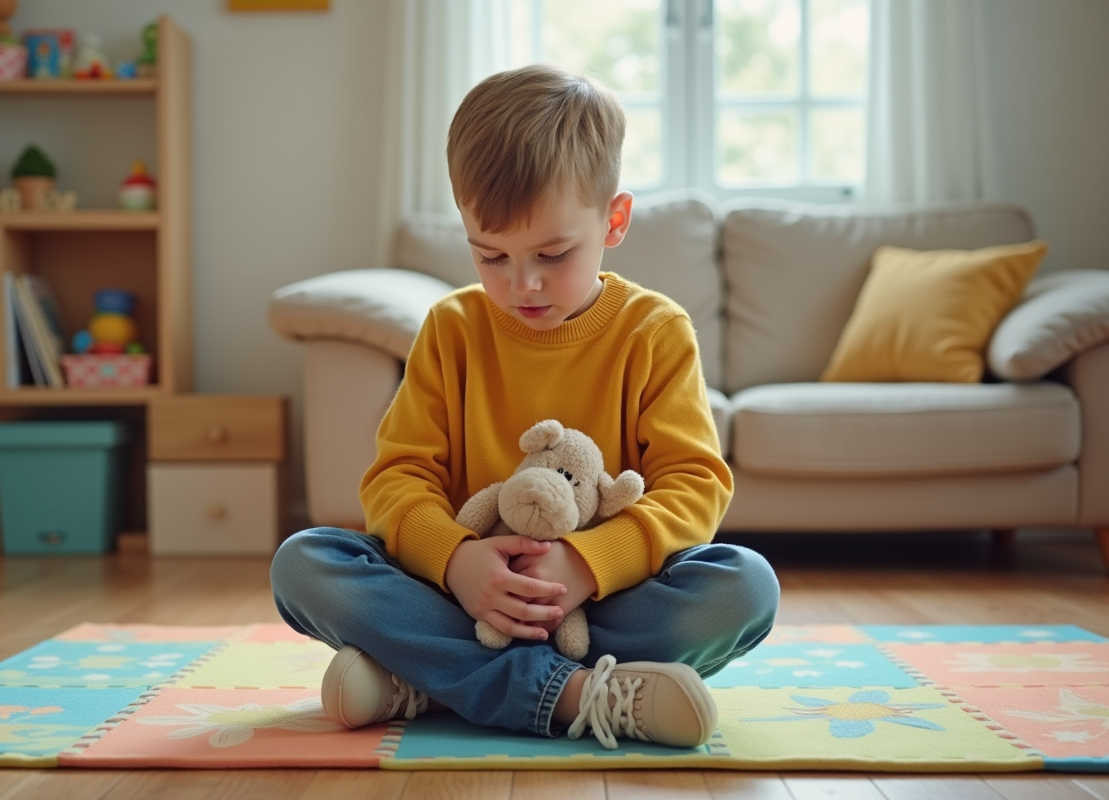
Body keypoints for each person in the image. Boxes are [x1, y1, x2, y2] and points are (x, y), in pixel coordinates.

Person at [271, 64, 780, 750]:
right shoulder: (451, 329)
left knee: (744, 587)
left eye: (551, 253)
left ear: (615, 219)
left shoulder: (655, 331)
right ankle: (576, 695)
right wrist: (458, 563)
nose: (523, 283)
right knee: (304, 563)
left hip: (601, 601)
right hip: (464, 596)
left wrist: (584, 564)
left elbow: (695, 487)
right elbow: (396, 481)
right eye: (492, 256)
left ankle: (423, 680)